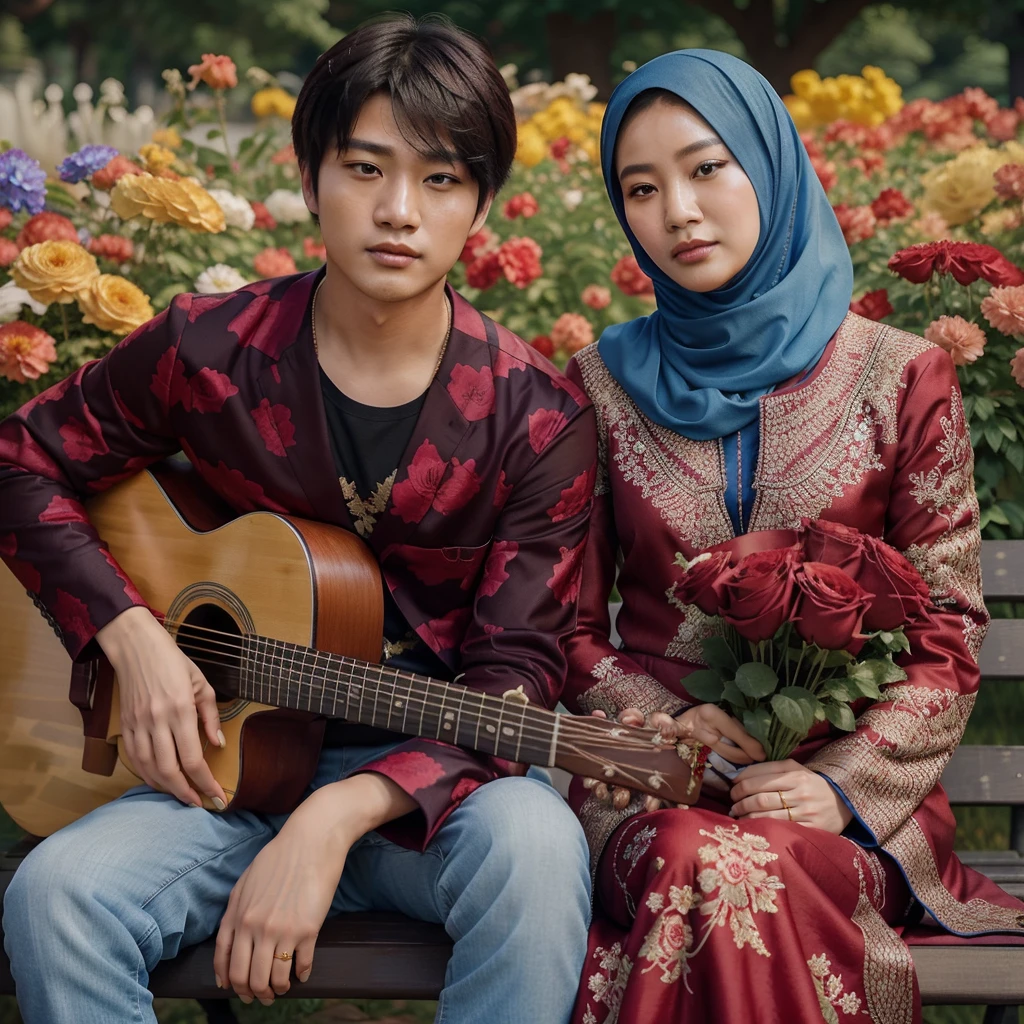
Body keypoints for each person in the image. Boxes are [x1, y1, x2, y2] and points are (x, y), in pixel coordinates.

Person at [0, 16, 596, 1023]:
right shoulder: (208, 348)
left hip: (428, 801)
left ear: (481, 204)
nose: (398, 210)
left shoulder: (535, 419)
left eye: (441, 179)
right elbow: (20, 459)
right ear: (312, 173)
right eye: (365, 167)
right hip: (212, 777)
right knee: (57, 895)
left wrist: (333, 816)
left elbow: (517, 677)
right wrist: (132, 636)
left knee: (538, 849)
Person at [562, 49, 1024, 1024]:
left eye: (704, 168)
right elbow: (563, 623)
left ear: (768, 164)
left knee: (725, 864)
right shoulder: (597, 386)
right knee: (694, 851)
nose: (678, 211)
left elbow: (947, 621)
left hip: (850, 810)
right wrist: (665, 726)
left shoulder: (901, 377)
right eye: (639, 189)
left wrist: (838, 785)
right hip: (653, 791)